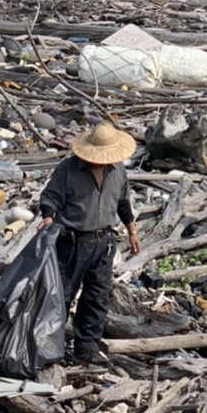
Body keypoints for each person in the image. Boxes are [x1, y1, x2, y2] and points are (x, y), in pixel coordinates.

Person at [35, 123, 142, 364]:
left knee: (97, 296)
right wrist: (49, 216)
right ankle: (51, 347)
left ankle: (87, 348)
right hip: (72, 242)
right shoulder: (69, 169)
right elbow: (50, 196)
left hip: (103, 241)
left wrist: (132, 231)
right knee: (61, 296)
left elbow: (123, 202)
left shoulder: (117, 171)